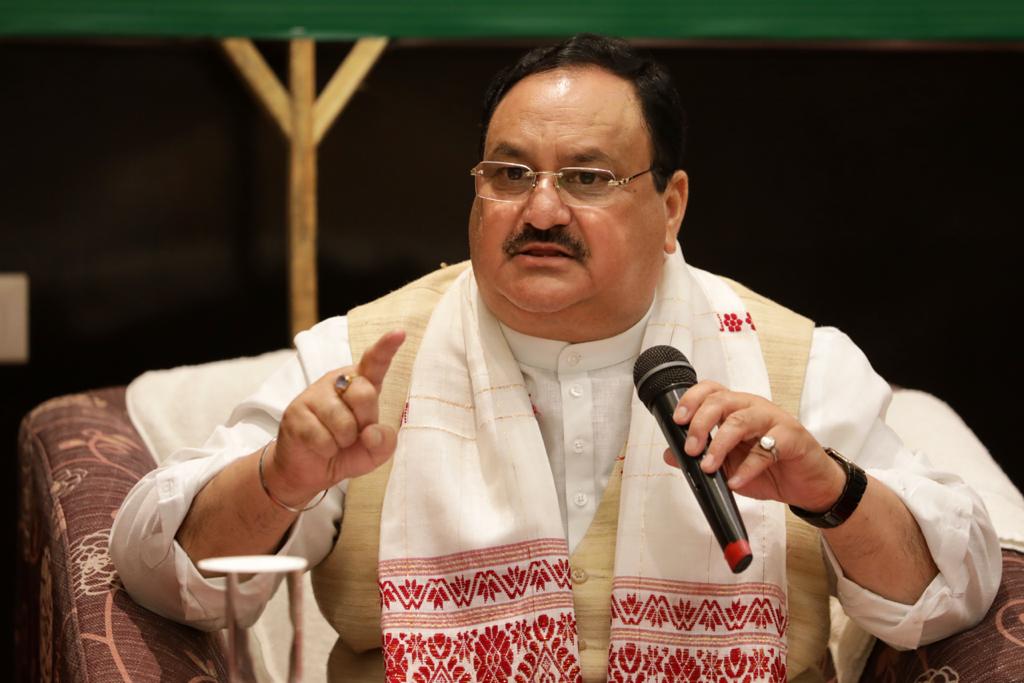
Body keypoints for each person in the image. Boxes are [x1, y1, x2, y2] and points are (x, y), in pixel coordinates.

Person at [111, 34, 1001, 682]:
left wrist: (830, 489)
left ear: (672, 203)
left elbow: (953, 593)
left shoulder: (795, 363)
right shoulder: (363, 359)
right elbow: (159, 575)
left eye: (586, 178)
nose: (539, 210)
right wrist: (280, 477)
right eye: (508, 175)